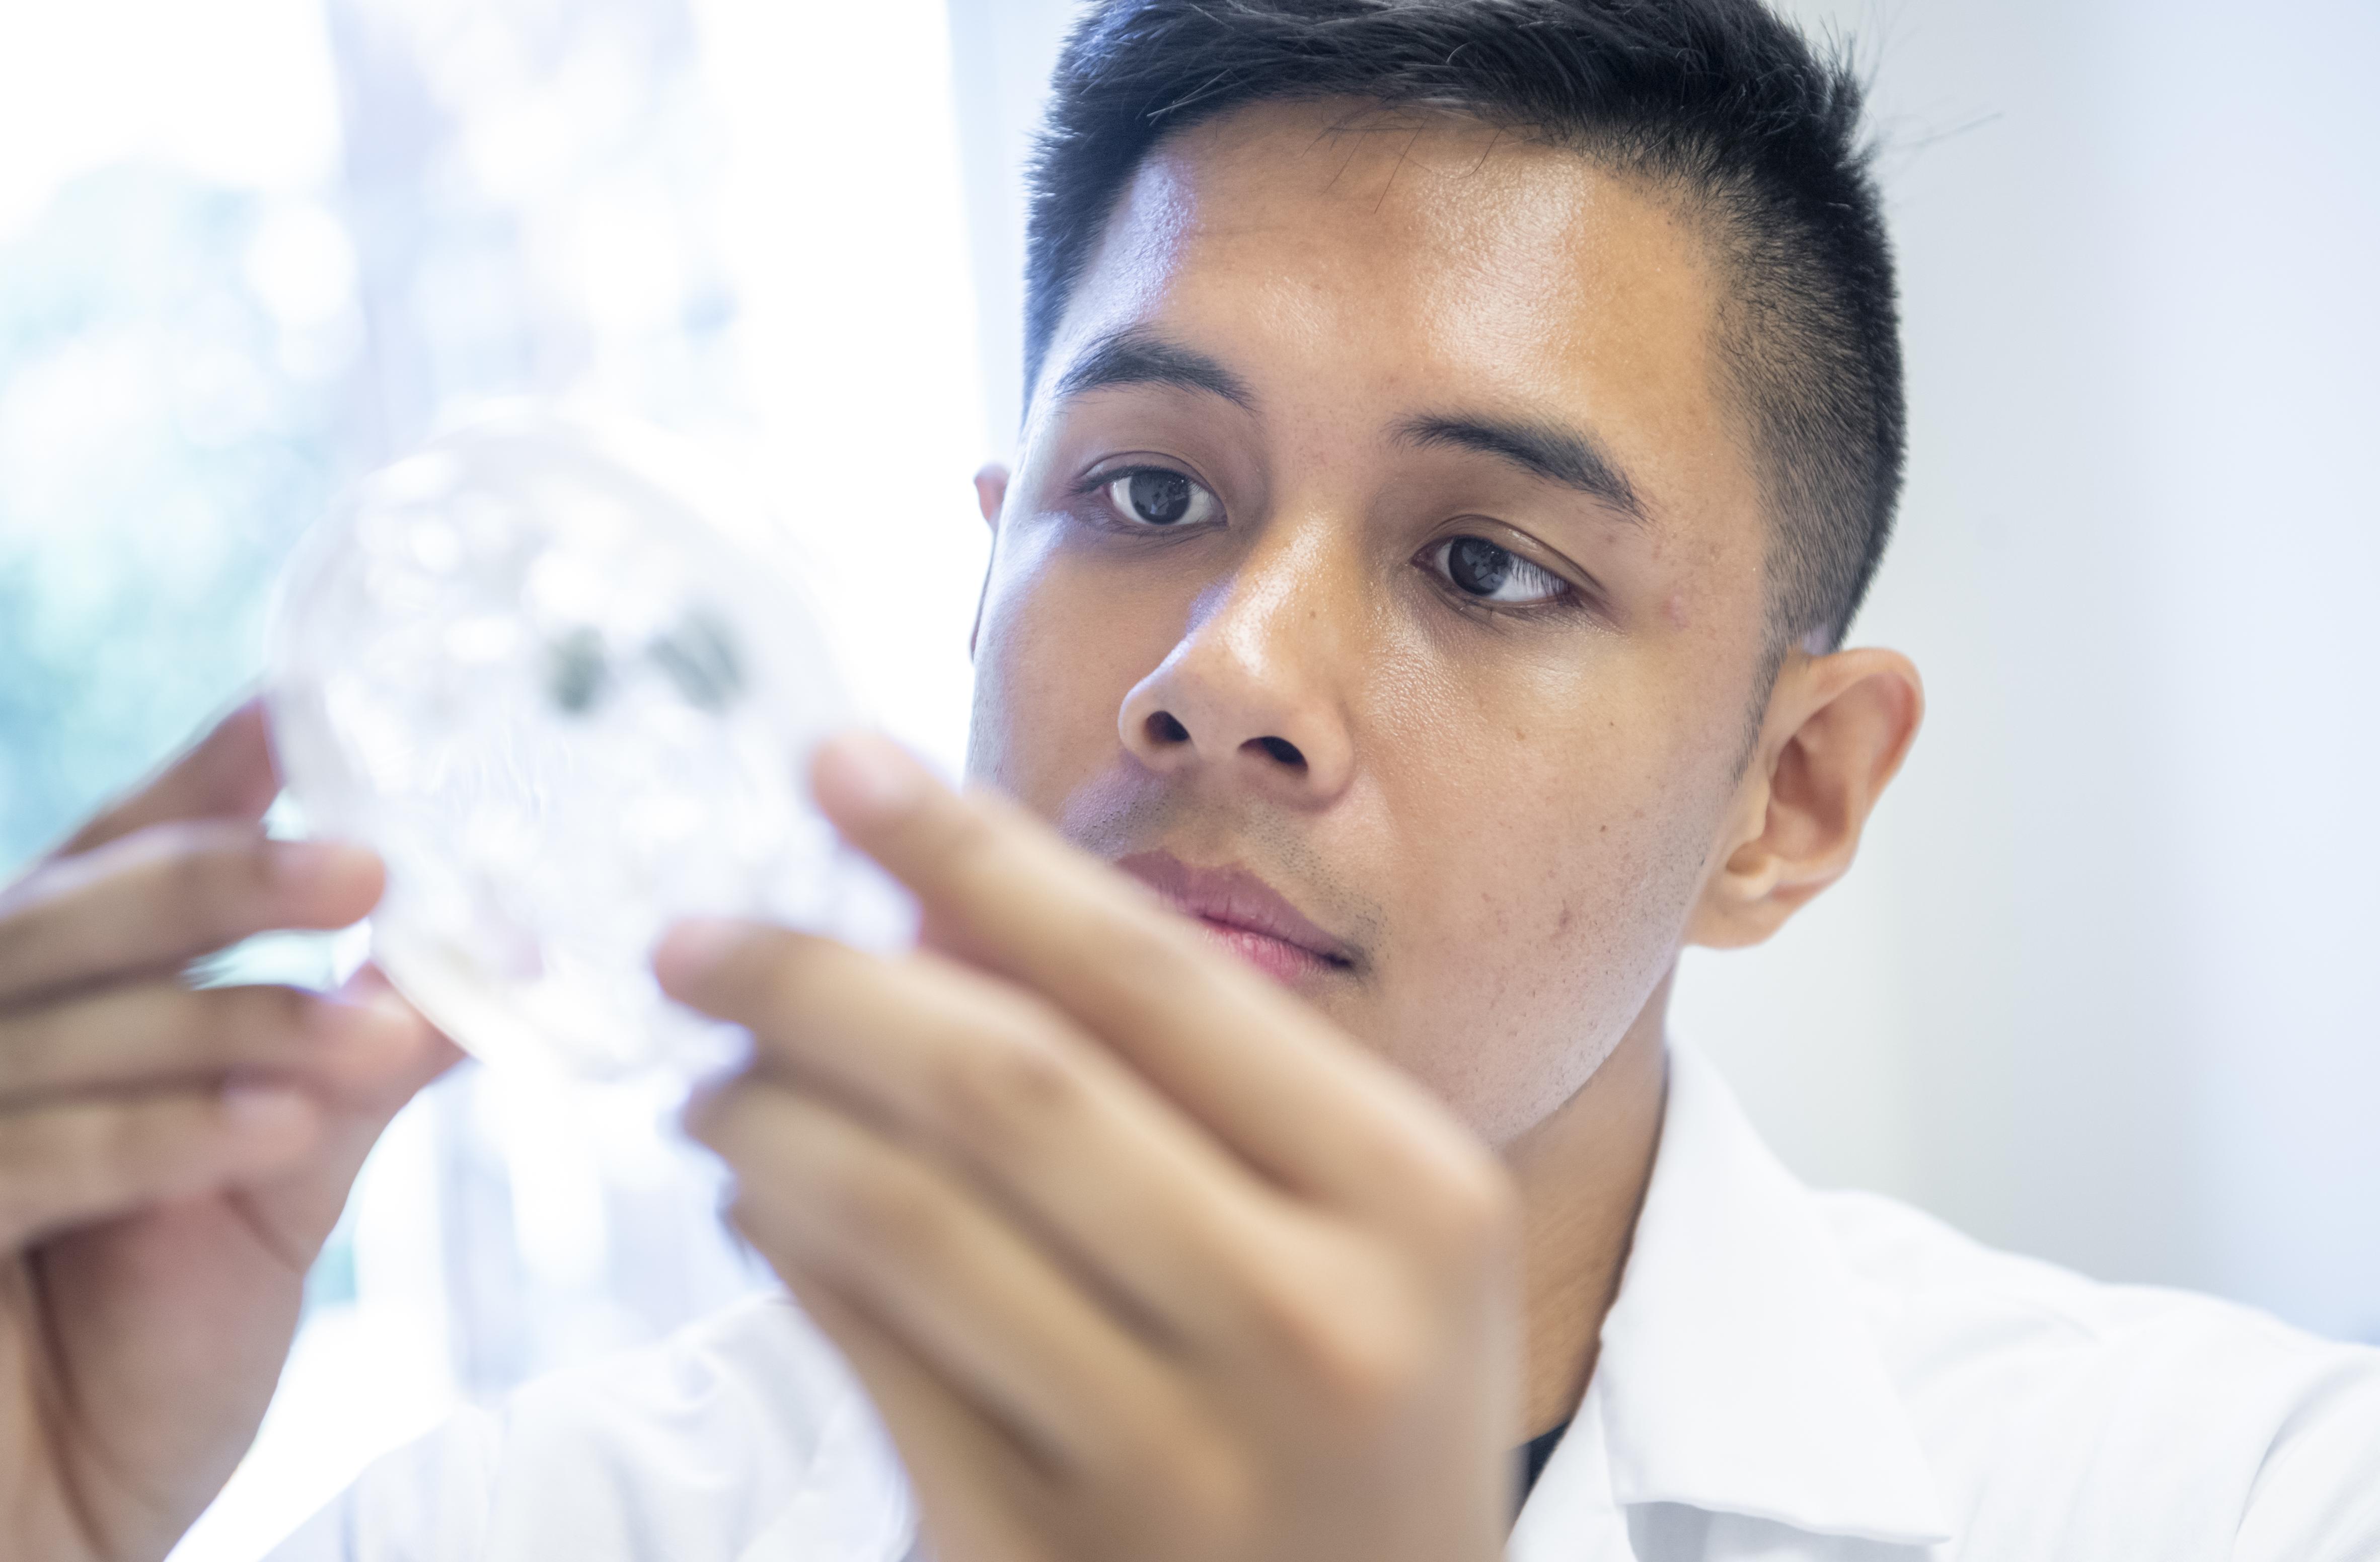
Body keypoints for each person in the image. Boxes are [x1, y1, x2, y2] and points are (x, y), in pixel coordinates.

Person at [4, 1, 2376, 1558]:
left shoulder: (2237, 1495)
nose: (1225, 676)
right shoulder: (516, 1525)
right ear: (976, 589)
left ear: (1793, 800)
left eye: (1486, 559)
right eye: (1145, 496)